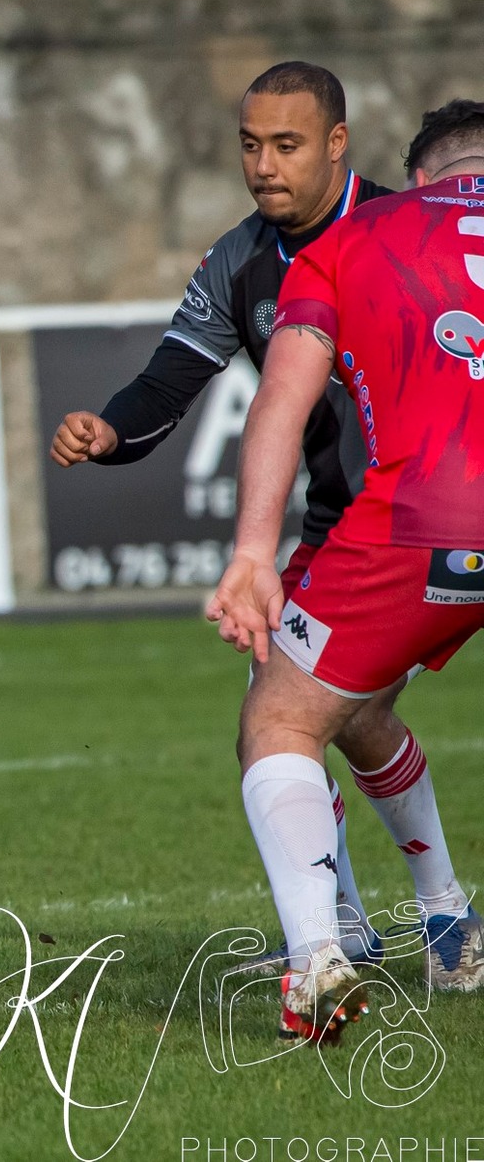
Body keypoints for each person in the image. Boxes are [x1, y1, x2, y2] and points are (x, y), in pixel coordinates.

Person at [51, 63, 471, 974]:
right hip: (345, 521)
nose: (264, 166)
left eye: (286, 145)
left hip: (404, 515)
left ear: (336, 143)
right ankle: (380, 926)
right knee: (330, 715)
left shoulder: (403, 226)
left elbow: (282, 403)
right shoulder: (239, 260)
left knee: (288, 715)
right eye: (250, 145)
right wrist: (112, 427)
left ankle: (415, 920)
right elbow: (174, 373)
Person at [207, 100, 484, 1042]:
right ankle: (447, 917)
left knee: (282, 715)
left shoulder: (365, 233)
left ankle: (321, 959)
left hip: (430, 520)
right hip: (415, 524)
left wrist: (253, 553)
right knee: (356, 709)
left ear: (421, 181)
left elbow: (282, 402)